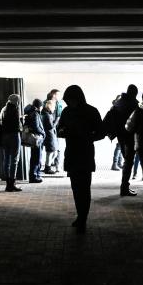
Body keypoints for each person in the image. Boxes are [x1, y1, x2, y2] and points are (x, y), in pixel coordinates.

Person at [57, 85, 106, 232]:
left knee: (83, 187)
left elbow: (101, 132)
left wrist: (86, 136)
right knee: (76, 187)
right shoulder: (68, 111)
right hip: (74, 152)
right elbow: (59, 129)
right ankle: (81, 216)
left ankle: (83, 217)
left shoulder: (90, 111)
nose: (68, 103)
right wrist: (65, 132)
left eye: (70, 100)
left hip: (82, 153)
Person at [104, 84, 140, 196]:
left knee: (127, 161)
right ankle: (124, 187)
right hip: (129, 136)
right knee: (129, 162)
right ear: (135, 93)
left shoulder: (119, 102)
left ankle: (124, 187)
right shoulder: (134, 104)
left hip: (120, 136)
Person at [0, 94, 23, 192]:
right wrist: (21, 121)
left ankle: (8, 184)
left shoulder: (4, 109)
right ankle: (12, 183)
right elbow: (17, 125)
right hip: (14, 136)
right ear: (17, 101)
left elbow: (0, 122)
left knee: (6, 160)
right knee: (14, 160)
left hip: (4, 136)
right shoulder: (15, 109)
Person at [23, 98, 46, 183]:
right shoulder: (35, 113)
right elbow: (36, 126)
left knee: (34, 157)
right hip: (37, 138)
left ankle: (34, 175)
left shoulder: (29, 111)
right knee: (37, 157)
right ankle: (34, 176)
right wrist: (43, 133)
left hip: (34, 137)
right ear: (39, 106)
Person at [46, 89, 63, 172]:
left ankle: (57, 166)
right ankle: (47, 166)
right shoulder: (46, 102)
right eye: (58, 95)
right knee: (49, 149)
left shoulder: (59, 104)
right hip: (48, 129)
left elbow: (59, 116)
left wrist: (55, 126)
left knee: (57, 149)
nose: (59, 97)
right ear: (54, 95)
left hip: (55, 129)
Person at [41, 98, 59, 175]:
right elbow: (50, 126)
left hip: (50, 135)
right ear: (50, 106)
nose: (54, 108)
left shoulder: (46, 114)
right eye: (54, 107)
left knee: (53, 152)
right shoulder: (47, 115)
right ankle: (47, 168)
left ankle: (47, 166)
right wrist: (57, 120)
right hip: (49, 135)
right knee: (51, 152)